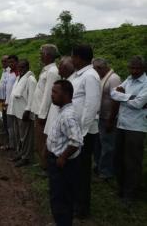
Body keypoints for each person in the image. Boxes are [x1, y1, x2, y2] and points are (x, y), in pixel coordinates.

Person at [111, 55, 147, 203]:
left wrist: (122, 96)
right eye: (132, 67)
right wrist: (129, 97)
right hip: (121, 124)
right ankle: (122, 188)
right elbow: (113, 93)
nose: (134, 71)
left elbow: (138, 103)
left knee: (132, 161)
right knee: (118, 158)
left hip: (136, 127)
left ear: (143, 68)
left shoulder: (146, 82)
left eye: (137, 68)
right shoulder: (129, 79)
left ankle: (130, 194)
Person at [47, 80, 83, 226]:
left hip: (63, 165)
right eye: (52, 91)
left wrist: (63, 157)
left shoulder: (68, 116)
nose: (52, 95)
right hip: (58, 161)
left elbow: (76, 141)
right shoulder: (62, 111)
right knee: (59, 196)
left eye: (55, 92)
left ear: (66, 94)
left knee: (61, 198)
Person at [71, 44, 101, 219]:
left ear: (80, 58)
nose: (72, 59)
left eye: (73, 56)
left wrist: (80, 133)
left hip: (84, 134)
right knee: (76, 170)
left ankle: (82, 208)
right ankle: (76, 201)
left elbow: (91, 106)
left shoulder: (90, 76)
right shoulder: (79, 75)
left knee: (82, 172)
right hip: (76, 131)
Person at [31, 44, 60, 171]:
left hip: (43, 114)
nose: (40, 55)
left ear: (48, 55)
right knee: (39, 140)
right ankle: (43, 163)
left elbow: (49, 95)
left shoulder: (53, 72)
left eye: (41, 53)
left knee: (43, 141)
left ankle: (46, 167)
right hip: (38, 111)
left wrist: (42, 115)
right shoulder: (47, 69)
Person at [92, 58, 121, 179]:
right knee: (99, 144)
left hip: (109, 118)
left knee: (108, 146)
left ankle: (106, 172)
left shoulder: (114, 79)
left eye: (96, 70)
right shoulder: (102, 76)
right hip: (100, 117)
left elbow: (116, 100)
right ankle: (99, 166)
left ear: (101, 68)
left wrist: (110, 120)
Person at [9, 59, 37, 167]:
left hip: (24, 113)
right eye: (19, 67)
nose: (20, 69)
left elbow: (32, 97)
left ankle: (27, 157)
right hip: (17, 112)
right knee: (21, 136)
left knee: (26, 137)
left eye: (22, 67)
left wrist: (28, 110)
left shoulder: (31, 79)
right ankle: (21, 153)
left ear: (27, 67)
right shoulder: (19, 78)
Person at [5, 55, 19, 151]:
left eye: (12, 62)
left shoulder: (18, 73)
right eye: (9, 62)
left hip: (14, 104)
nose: (11, 64)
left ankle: (15, 146)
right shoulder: (9, 72)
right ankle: (12, 144)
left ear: (17, 62)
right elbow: (8, 89)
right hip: (8, 103)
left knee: (15, 126)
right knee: (10, 125)